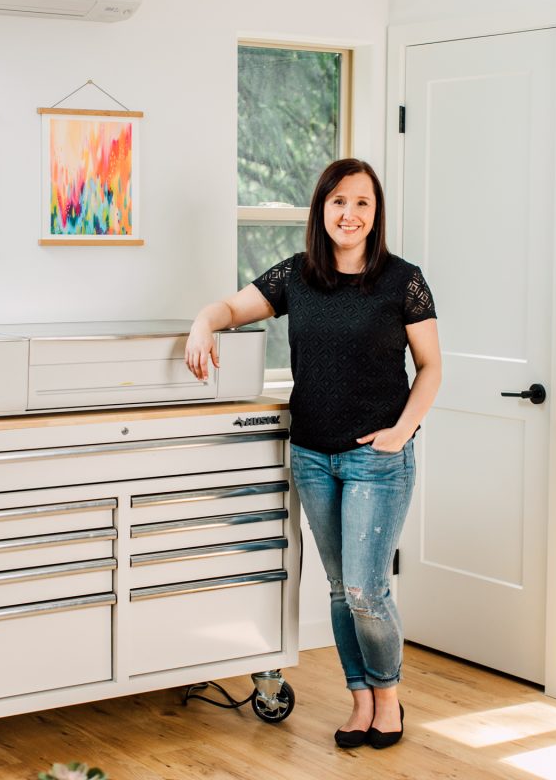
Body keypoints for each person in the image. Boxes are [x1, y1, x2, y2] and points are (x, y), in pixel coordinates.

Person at [184, 158, 441, 750]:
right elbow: (228, 309)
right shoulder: (295, 276)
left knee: (365, 590)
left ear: (376, 215)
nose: (349, 214)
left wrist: (402, 431)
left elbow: (430, 368)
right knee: (336, 587)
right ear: (321, 210)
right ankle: (359, 703)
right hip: (311, 455)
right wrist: (203, 323)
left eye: (362, 204)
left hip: (377, 457)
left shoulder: (403, 280)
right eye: (338, 202)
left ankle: (388, 696)